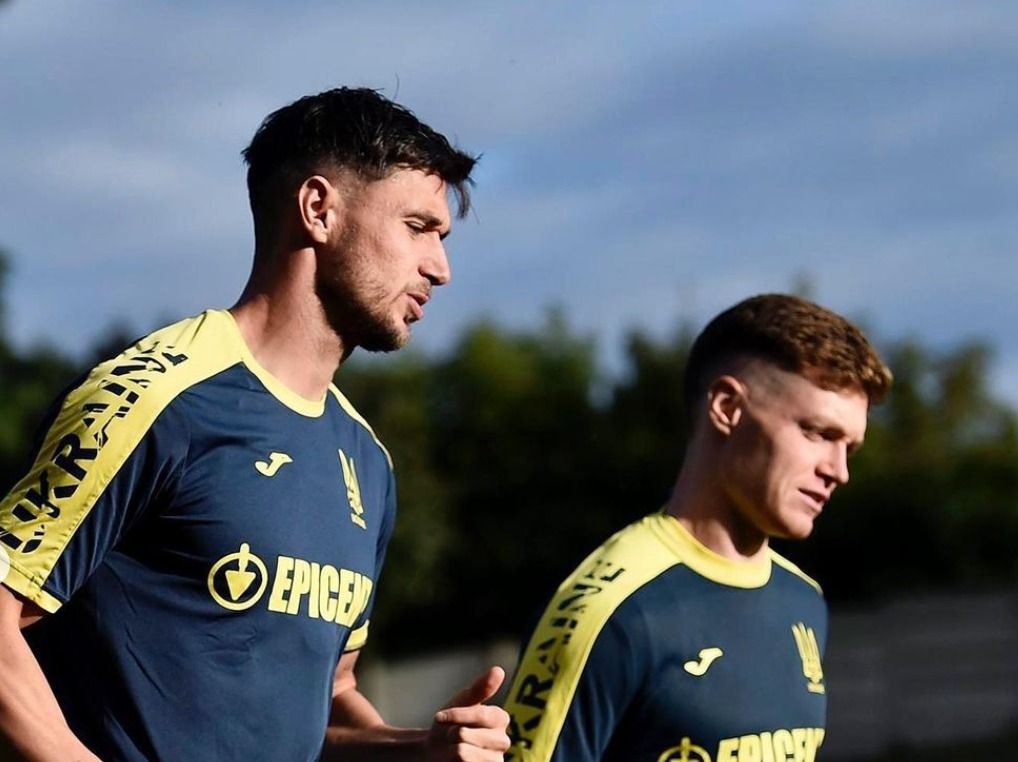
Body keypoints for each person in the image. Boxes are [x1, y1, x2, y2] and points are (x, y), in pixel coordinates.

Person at [0, 87, 510, 762]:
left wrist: (419, 749)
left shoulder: (367, 461)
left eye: (441, 239)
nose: (440, 269)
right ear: (318, 209)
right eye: (418, 228)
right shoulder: (157, 398)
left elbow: (325, 698)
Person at [503, 294, 891, 762]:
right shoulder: (610, 612)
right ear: (727, 407)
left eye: (850, 447)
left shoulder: (804, 601)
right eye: (818, 433)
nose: (839, 470)